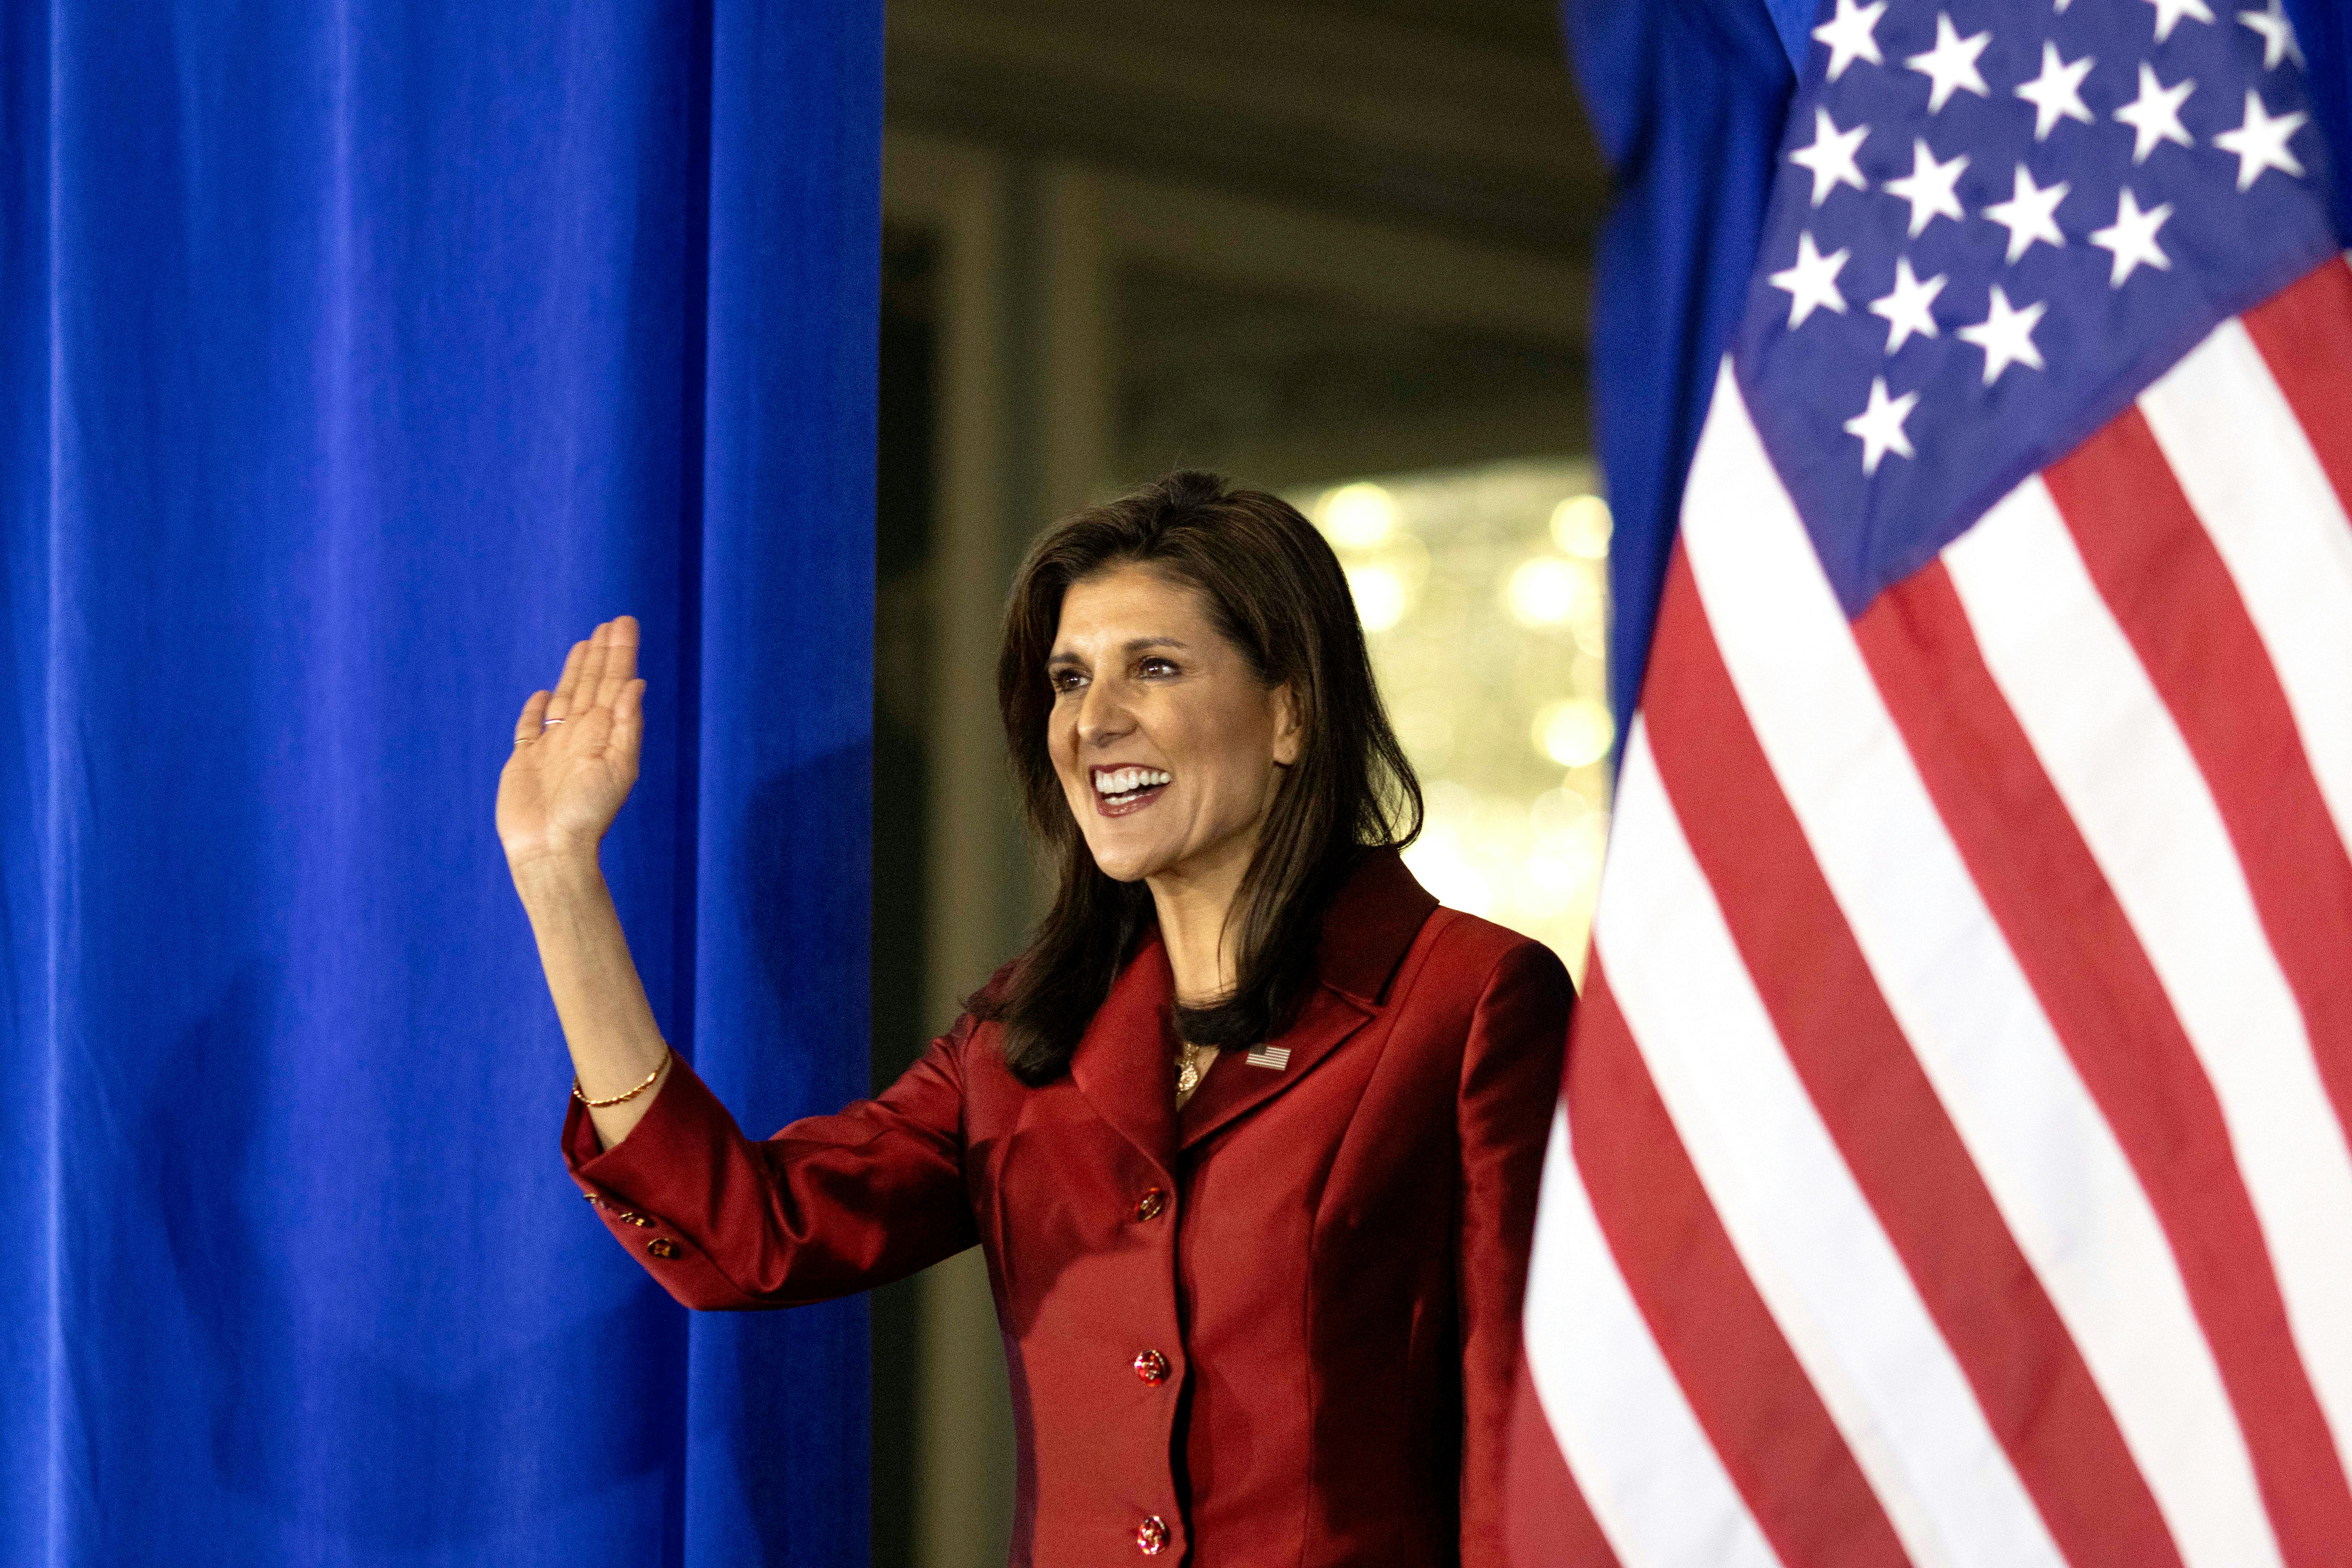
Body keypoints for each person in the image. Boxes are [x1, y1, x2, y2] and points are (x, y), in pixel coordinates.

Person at [497, 471, 1573, 1565]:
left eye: (1153, 666)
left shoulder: (1471, 1001)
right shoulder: (1024, 1036)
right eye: (1069, 679)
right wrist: (558, 877)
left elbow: (1525, 1435)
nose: (1095, 721)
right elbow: (752, 1239)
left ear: (1291, 709)